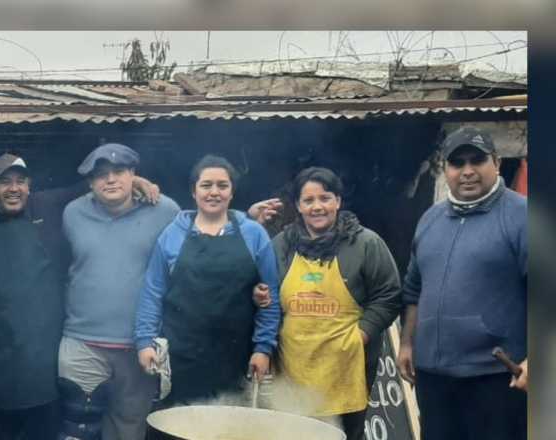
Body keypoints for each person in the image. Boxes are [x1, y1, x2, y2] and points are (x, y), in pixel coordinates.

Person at [397, 127, 526, 440]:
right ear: (446, 170)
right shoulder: (431, 219)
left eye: (477, 161)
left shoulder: (522, 215)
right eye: (457, 163)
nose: (467, 171)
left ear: (496, 163)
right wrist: (407, 343)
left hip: (495, 376)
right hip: (434, 378)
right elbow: (414, 289)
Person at [265, 167, 402, 440]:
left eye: (325, 198)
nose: (318, 207)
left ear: (338, 201)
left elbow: (389, 294)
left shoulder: (365, 243)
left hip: (345, 369)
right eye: (308, 200)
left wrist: (361, 334)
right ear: (298, 206)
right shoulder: (281, 245)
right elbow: (266, 297)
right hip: (293, 369)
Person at [135, 154, 281, 405]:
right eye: (206, 185)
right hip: (182, 356)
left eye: (222, 186)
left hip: (237, 357)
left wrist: (263, 348)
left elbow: (272, 297)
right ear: (194, 192)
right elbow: (152, 293)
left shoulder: (254, 234)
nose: (214, 192)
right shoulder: (172, 234)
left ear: (232, 192)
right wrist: (144, 342)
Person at [57, 143, 180, 440]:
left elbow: (206, 226)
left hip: (139, 346)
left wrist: (249, 218)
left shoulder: (165, 210)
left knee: (129, 430)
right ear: (89, 182)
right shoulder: (72, 212)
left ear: (133, 174)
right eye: (101, 175)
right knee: (77, 431)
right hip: (82, 342)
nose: (110, 179)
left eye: (119, 172)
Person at [0, 153, 73, 440]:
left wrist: (138, 181)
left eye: (20, 181)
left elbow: (89, 186)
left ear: (30, 187)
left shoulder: (48, 205)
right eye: (5, 182)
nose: (14, 188)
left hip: (44, 356)